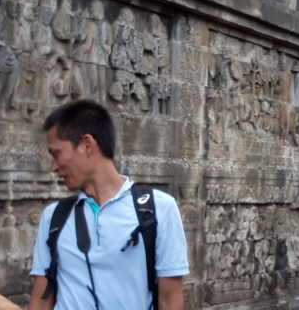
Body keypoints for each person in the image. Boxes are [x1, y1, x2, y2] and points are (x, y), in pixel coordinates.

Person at [28, 100, 189, 310]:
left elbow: (170, 302)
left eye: (56, 154)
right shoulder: (54, 217)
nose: (53, 166)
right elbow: (40, 301)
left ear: (87, 145)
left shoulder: (158, 210)